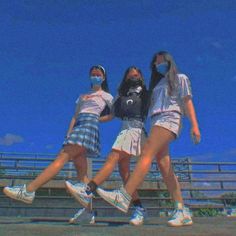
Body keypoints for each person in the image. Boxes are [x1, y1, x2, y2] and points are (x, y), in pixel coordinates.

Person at [95, 51, 201, 227]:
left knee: (147, 153)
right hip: (156, 121)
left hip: (170, 117)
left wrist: (195, 125)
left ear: (169, 62)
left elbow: (187, 101)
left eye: (162, 62)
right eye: (156, 64)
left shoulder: (180, 78)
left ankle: (124, 194)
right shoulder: (157, 84)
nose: (159, 65)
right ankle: (181, 209)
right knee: (164, 165)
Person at [3, 65, 113, 224]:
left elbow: (113, 114)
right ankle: (88, 213)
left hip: (89, 126)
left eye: (98, 74)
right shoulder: (83, 96)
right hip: (78, 126)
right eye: (93, 74)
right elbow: (75, 116)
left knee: (61, 158)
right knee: (82, 174)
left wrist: (97, 119)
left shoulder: (106, 96)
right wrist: (69, 132)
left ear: (103, 77)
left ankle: (29, 190)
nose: (95, 76)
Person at [65, 66, 149, 226]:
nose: (134, 77)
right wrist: (92, 119)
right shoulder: (121, 94)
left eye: (137, 75)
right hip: (125, 127)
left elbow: (148, 106)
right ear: (126, 78)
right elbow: (111, 115)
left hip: (135, 127)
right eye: (131, 75)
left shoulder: (144, 91)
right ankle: (139, 208)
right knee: (124, 173)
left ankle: (88, 189)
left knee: (113, 156)